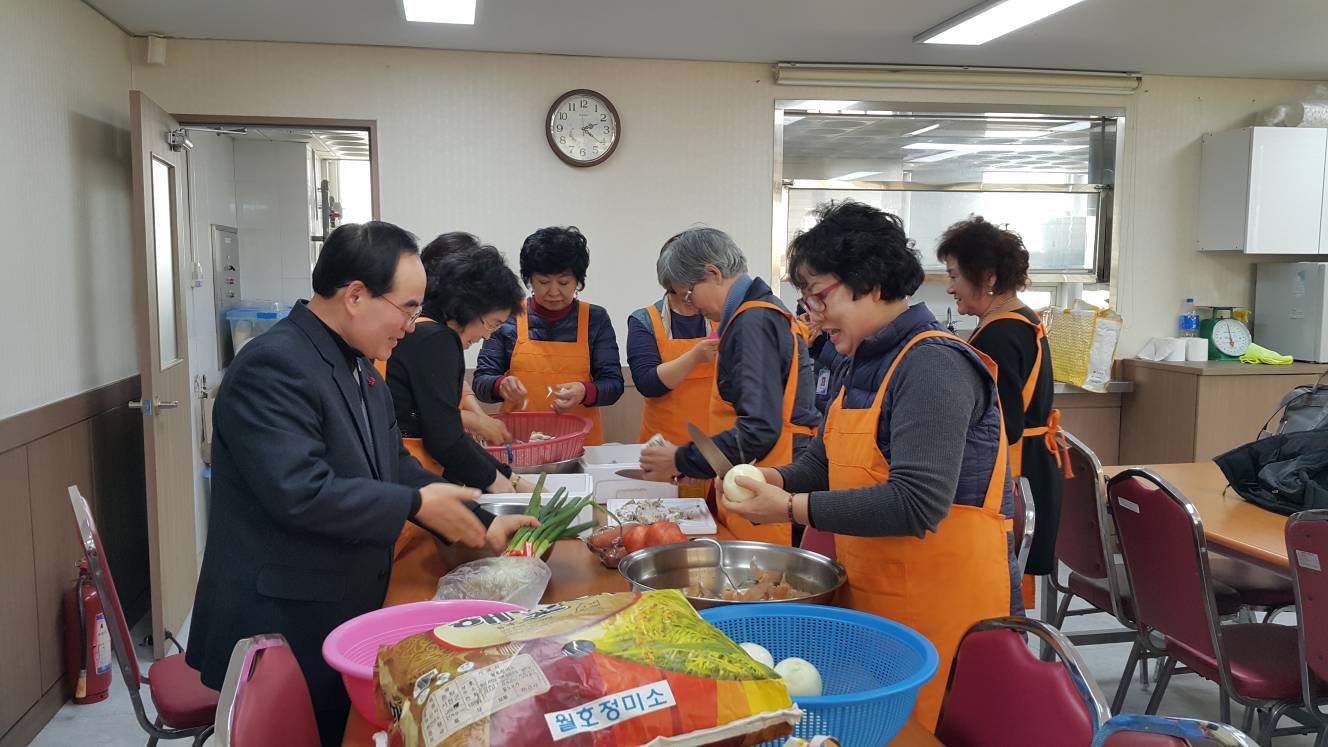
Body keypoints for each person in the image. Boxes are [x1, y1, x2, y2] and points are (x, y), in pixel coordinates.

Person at [185, 222, 536, 746]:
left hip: (341, 604)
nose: (414, 325)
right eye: (408, 307)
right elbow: (299, 491)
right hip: (285, 617)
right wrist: (416, 503)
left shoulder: (362, 369)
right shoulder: (274, 364)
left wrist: (484, 523)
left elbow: (394, 464)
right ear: (355, 296)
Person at [717, 201, 1018, 729]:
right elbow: (825, 461)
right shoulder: (865, 357)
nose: (810, 312)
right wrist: (775, 478)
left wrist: (789, 506)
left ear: (872, 283)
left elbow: (917, 503)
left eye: (819, 294)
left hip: (939, 611)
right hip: (879, 602)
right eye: (804, 298)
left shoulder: (932, 364)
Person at [638, 228, 818, 545]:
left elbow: (759, 428)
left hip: (775, 479)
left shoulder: (754, 322)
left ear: (713, 274)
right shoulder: (749, 316)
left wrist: (682, 459)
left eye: (689, 295)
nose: (691, 308)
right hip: (755, 476)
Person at [938, 216, 1068, 609]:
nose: (950, 287)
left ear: (989, 277)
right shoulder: (1021, 319)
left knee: (1000, 587)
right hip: (1036, 467)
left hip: (1018, 474)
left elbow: (1000, 425)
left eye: (955, 275)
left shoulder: (1000, 333)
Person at [386, 232, 536, 492]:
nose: (488, 335)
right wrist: (505, 483)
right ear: (471, 308)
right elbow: (445, 439)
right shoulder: (437, 340)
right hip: (412, 485)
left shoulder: (420, 329)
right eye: (492, 324)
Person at [473, 226, 623, 445]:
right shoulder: (508, 316)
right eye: (543, 282)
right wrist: (500, 385)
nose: (553, 292)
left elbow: (613, 384)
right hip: (519, 443)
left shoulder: (595, 318)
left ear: (578, 281)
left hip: (580, 443)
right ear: (530, 280)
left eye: (564, 282)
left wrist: (585, 391)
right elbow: (481, 381)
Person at [626, 274, 719, 445]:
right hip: (663, 446)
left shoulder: (719, 316)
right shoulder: (645, 320)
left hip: (715, 445)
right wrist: (695, 357)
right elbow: (648, 383)